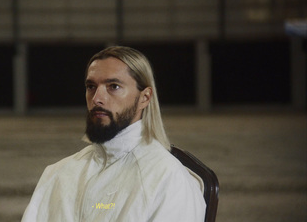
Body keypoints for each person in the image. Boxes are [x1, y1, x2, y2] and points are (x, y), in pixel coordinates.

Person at [21, 46, 206, 222]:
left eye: (114, 86)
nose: (97, 99)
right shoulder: (58, 174)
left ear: (145, 97)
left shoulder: (168, 180)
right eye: (91, 86)